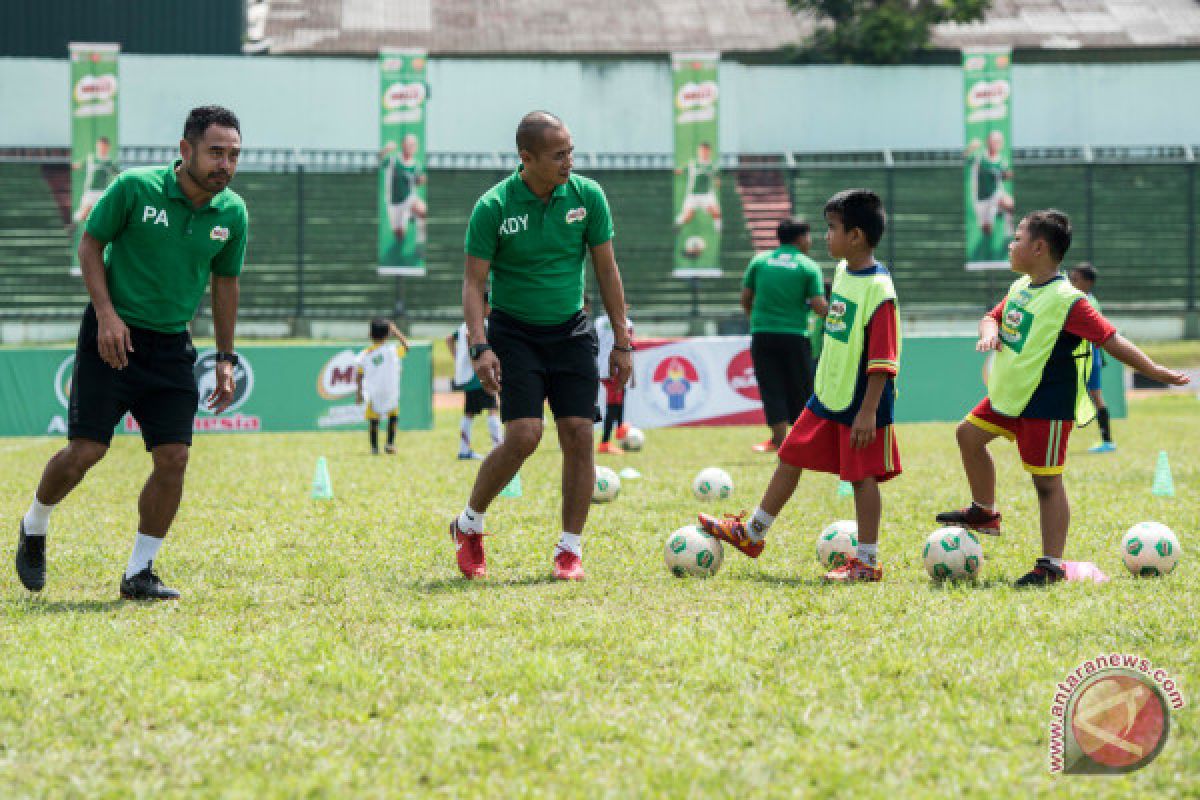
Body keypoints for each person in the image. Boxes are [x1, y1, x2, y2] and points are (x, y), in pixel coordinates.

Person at [15, 106, 247, 600]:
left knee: (173, 457)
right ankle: (34, 524)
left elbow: (226, 284)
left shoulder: (232, 213)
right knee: (86, 452)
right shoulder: (134, 188)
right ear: (186, 151)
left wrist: (225, 357)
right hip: (112, 336)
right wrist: (106, 315)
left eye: (233, 155)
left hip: (171, 347)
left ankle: (139, 573)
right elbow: (90, 245)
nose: (225, 164)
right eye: (215, 153)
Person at [935, 211, 1189, 587]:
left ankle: (1050, 564)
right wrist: (989, 331)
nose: (1010, 244)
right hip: (1008, 399)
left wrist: (1156, 371)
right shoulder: (1021, 287)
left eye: (1017, 238)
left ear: (1038, 248)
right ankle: (985, 512)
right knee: (967, 435)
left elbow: (1112, 340)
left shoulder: (1069, 301)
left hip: (1045, 407)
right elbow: (992, 315)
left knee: (1046, 483)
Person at [450, 110, 633, 581]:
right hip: (514, 332)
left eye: (571, 150)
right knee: (525, 436)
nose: (569, 161)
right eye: (559, 155)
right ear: (526, 158)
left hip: (572, 331)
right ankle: (470, 525)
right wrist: (479, 345)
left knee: (579, 434)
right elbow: (473, 284)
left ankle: (569, 551)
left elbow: (607, 270)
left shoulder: (588, 196)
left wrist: (622, 339)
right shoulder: (493, 206)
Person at [700, 189, 901, 583]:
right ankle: (752, 533)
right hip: (828, 394)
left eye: (832, 228)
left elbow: (883, 359)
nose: (826, 236)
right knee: (789, 455)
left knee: (863, 478)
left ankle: (867, 562)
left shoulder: (880, 291)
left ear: (856, 235)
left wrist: (868, 412)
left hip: (862, 401)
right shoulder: (843, 273)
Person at [741, 217, 828, 453]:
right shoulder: (807, 266)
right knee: (801, 388)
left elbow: (746, 298)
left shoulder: (759, 262)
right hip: (795, 335)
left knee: (771, 386)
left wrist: (756, 319)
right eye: (808, 236)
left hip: (762, 333)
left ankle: (779, 440)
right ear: (801, 238)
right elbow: (819, 306)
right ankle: (805, 440)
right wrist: (838, 316)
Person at [447, 293, 502, 460]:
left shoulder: (466, 325)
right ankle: (498, 448)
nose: (491, 308)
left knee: (469, 412)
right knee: (493, 409)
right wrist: (474, 362)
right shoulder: (482, 325)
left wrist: (458, 359)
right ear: (483, 305)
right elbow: (470, 340)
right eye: (489, 304)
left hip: (469, 377)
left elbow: (449, 339)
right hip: (478, 377)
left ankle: (464, 449)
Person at [1067, 263, 1116, 453]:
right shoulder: (1087, 299)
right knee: (1094, 397)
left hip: (1087, 355)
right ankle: (1107, 441)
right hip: (1087, 355)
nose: (1072, 282)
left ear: (1088, 282)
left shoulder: (1086, 302)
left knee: (1094, 396)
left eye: (1075, 279)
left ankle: (1107, 441)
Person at [356, 318, 409, 455]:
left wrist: (359, 393)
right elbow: (406, 346)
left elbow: (359, 374)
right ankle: (390, 443)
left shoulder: (365, 355)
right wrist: (396, 332)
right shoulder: (392, 351)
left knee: (374, 420)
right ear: (387, 334)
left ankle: (374, 448)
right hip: (390, 391)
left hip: (374, 392)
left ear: (369, 334)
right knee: (393, 416)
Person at [595, 304, 635, 455]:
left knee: (617, 399)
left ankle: (619, 428)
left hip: (603, 367)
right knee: (613, 404)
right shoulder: (627, 323)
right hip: (616, 367)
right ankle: (605, 442)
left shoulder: (599, 322)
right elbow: (631, 344)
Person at [382, 133, 427, 256]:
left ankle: (420, 243)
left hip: (409, 199)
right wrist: (386, 150)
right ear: (403, 145)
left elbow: (418, 181)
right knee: (399, 235)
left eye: (414, 144)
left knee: (423, 210)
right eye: (409, 144)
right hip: (394, 203)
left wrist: (421, 180)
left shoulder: (416, 164)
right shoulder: (393, 160)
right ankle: (408, 218)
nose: (412, 147)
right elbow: (379, 161)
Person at [966, 130, 1015, 242]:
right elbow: (965, 157)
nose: (996, 143)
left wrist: (1008, 175)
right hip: (981, 198)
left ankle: (1009, 228)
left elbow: (1006, 175)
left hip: (995, 194)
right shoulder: (979, 157)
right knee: (987, 231)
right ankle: (996, 214)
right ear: (988, 142)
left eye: (999, 141)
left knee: (1009, 203)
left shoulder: (1002, 160)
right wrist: (971, 147)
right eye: (994, 141)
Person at [674, 141, 721, 232]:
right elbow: (679, 170)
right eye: (701, 151)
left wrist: (717, 182)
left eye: (705, 151)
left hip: (707, 194)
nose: (703, 153)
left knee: (716, 212)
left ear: (709, 151)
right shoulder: (692, 163)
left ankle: (719, 230)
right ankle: (677, 223)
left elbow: (717, 178)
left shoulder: (712, 166)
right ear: (698, 151)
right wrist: (677, 171)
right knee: (688, 216)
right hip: (693, 195)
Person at [72, 136, 118, 224]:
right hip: (90, 192)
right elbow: (77, 165)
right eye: (100, 146)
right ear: (97, 146)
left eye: (104, 146)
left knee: (105, 218)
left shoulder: (109, 162)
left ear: (108, 147)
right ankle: (73, 221)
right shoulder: (91, 158)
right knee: (83, 216)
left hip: (102, 193)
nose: (102, 148)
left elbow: (119, 175)